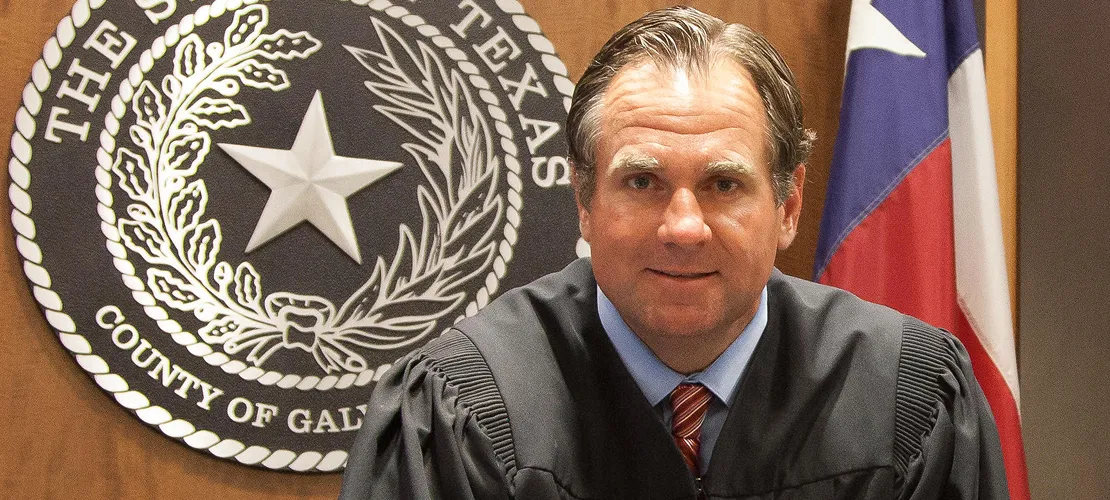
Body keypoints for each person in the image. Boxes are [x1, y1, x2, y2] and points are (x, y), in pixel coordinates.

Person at [339, 6, 1008, 499]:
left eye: (723, 184)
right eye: (641, 181)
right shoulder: (465, 409)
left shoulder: (908, 399)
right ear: (583, 200)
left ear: (789, 205)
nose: (683, 226)